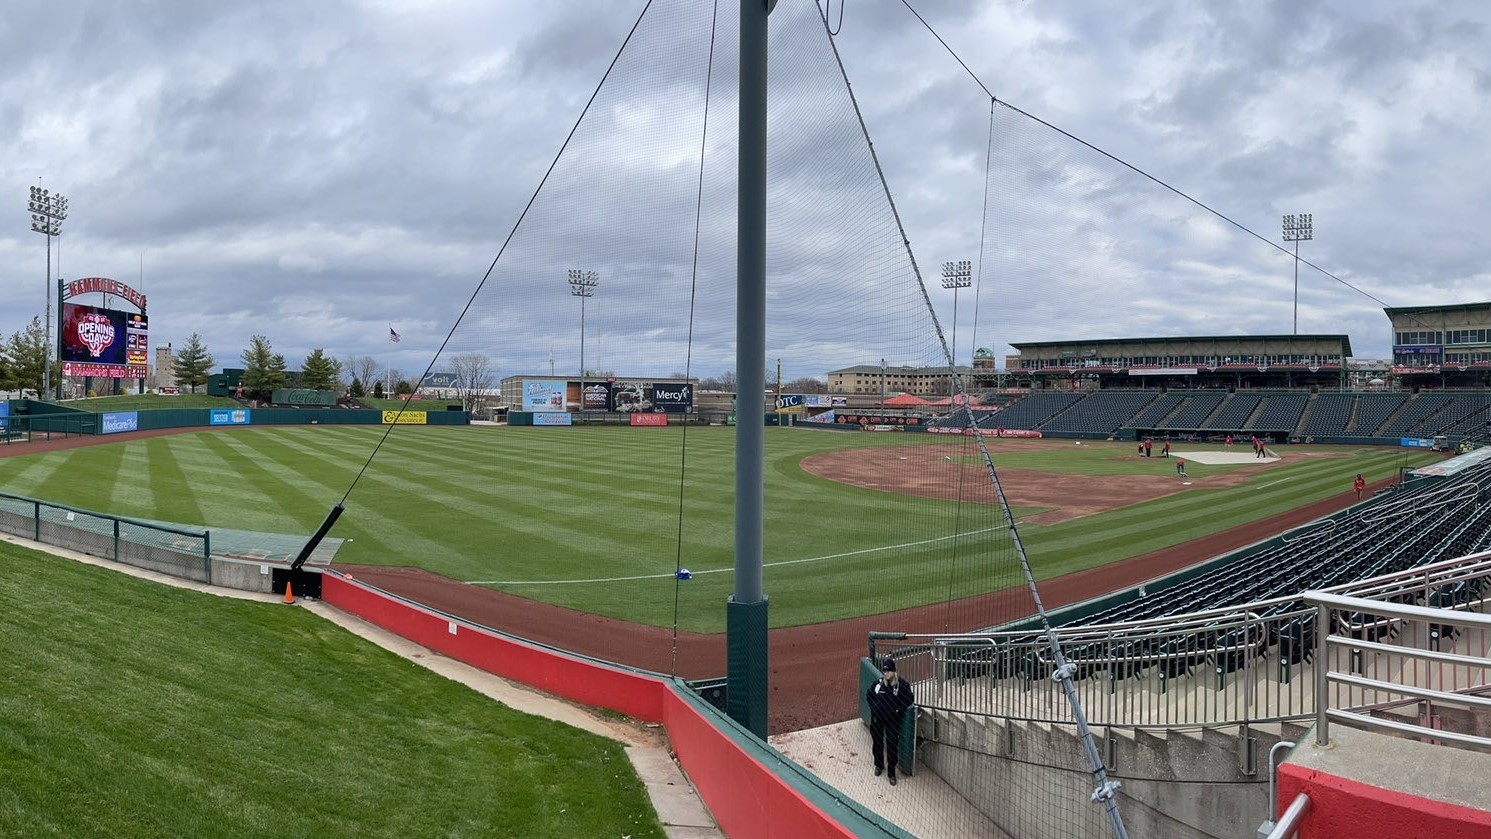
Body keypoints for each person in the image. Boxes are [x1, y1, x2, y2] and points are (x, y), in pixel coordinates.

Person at [866, 657, 915, 786]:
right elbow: (868, 694)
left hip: (893, 721)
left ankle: (891, 773)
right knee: (877, 742)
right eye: (884, 671)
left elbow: (910, 699)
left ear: (894, 672)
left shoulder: (902, 686)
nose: (886, 674)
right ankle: (879, 765)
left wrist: (898, 709)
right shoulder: (878, 684)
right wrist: (874, 708)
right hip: (878, 719)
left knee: (892, 745)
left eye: (888, 671)